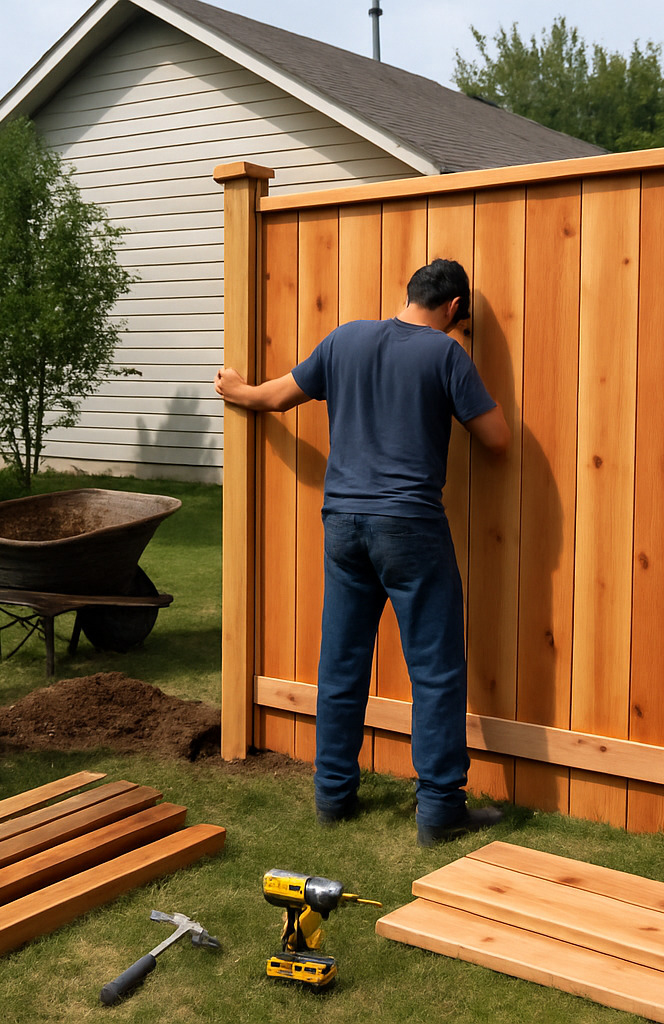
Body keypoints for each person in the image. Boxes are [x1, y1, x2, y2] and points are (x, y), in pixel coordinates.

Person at [215, 258, 510, 846]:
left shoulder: (346, 339)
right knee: (434, 667)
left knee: (343, 662)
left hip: (343, 524)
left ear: (411, 293)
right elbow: (497, 438)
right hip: (410, 526)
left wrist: (235, 390)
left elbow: (274, 398)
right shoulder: (445, 353)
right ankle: (439, 810)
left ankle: (333, 796)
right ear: (455, 309)